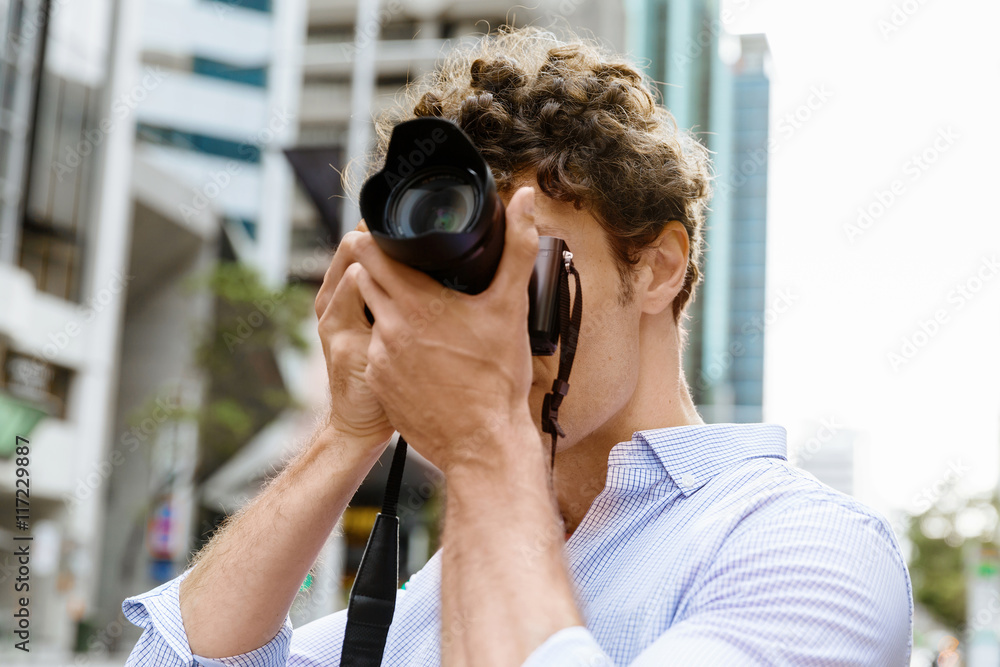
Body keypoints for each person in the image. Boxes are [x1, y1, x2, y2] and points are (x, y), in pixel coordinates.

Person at [122, 26, 912, 666]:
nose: (482, 311)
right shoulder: (445, 582)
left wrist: (479, 443)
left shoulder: (803, 545)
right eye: (465, 276)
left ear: (659, 267)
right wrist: (347, 433)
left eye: (521, 264)